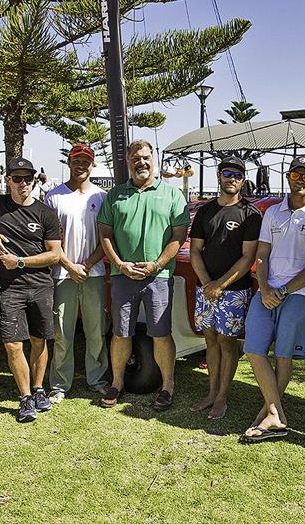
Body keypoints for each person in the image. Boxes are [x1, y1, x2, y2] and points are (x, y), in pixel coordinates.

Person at [239, 155, 305, 443]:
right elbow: (261, 255)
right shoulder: (273, 213)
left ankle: (268, 413)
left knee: (283, 356)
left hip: (299, 294)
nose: (299, 180)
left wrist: (285, 290)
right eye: (295, 174)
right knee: (253, 348)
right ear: (288, 177)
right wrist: (265, 289)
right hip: (267, 292)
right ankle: (275, 412)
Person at [97, 139, 190, 410]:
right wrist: (120, 264)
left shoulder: (172, 194)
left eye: (146, 157)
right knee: (120, 333)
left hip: (158, 277)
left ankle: (167, 385)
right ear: (128, 161)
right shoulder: (115, 195)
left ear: (154, 160)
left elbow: (178, 236)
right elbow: (105, 234)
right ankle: (117, 383)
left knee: (161, 333)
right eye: (136, 158)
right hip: (122, 275)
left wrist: (157, 264)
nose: (142, 162)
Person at [0, 157, 63, 423]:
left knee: (40, 341)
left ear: (34, 181)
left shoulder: (45, 213)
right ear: (8, 181)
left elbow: (54, 255)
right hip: (11, 289)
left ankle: (39, 389)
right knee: (12, 344)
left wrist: (19, 262)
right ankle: (25, 397)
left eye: (28, 178)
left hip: (41, 286)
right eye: (17, 178)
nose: (23, 183)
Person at [189, 155, 262, 420]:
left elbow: (248, 257)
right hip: (205, 287)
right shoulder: (205, 211)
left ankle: (222, 398)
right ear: (219, 176)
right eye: (228, 173)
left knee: (227, 342)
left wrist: (220, 284)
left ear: (243, 181)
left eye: (238, 175)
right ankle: (210, 393)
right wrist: (207, 283)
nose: (232, 179)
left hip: (234, 290)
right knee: (210, 338)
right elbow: (196, 250)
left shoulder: (250, 214)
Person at [44, 144, 109, 403]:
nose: (81, 165)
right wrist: (70, 266)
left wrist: (88, 264)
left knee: (96, 330)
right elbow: (48, 240)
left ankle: (97, 378)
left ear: (92, 165)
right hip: (63, 273)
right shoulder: (53, 197)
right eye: (77, 161)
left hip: (94, 272)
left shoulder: (102, 196)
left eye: (86, 161)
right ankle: (59, 383)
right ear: (69, 163)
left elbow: (106, 238)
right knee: (62, 331)